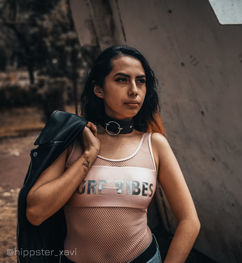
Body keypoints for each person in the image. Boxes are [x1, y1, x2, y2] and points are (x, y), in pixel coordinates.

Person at [25, 45, 200, 262]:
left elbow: (189, 220)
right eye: (121, 79)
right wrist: (89, 155)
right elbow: (35, 212)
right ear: (99, 89)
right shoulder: (74, 140)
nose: (134, 90)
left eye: (141, 81)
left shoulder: (154, 144)